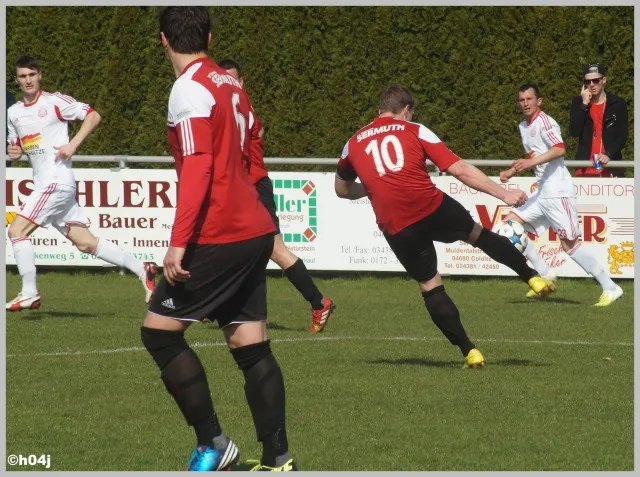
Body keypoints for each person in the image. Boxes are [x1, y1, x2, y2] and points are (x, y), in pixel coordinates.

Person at [142, 7, 297, 472]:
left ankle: (213, 442)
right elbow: (250, 154)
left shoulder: (188, 87)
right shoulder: (231, 84)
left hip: (219, 232)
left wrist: (179, 241)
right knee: (250, 343)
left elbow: (199, 165)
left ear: (163, 41)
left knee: (159, 334)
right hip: (254, 228)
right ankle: (278, 459)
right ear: (209, 37)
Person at [335, 84, 555, 369]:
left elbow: (342, 190)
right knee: (477, 234)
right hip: (430, 206)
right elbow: (458, 169)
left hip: (395, 223)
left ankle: (470, 351)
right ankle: (531, 277)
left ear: (379, 111)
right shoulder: (414, 129)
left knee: (430, 285)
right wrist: (504, 194)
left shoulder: (352, 143)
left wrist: (374, 185)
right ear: (406, 110)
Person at [6, 56, 157, 311]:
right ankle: (142, 268)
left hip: (56, 182)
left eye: (32, 74)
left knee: (16, 231)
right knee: (86, 243)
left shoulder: (55, 102)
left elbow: (93, 115)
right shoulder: (13, 112)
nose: (28, 80)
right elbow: (17, 148)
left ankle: (29, 292)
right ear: (17, 80)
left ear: (40, 75)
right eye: (23, 76)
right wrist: (15, 152)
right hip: (46, 184)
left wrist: (73, 144)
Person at [218, 58, 335, 334]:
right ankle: (218, 306)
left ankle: (319, 302)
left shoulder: (238, 105)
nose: (228, 85)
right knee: (230, 246)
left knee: (275, 250)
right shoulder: (237, 106)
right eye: (224, 80)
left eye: (233, 80)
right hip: (242, 189)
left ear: (241, 82)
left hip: (254, 188)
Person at [499, 84, 623, 306]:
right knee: (509, 223)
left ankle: (610, 287)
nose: (525, 103)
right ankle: (546, 274)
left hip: (558, 191)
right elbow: (534, 156)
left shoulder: (545, 122)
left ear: (539, 101)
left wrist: (529, 163)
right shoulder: (523, 126)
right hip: (542, 191)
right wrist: (511, 171)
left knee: (569, 245)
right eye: (522, 100)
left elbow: (559, 149)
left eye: (529, 99)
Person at [568, 62, 628, 178]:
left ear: (603, 80)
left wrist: (609, 154)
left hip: (610, 166)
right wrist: (584, 104)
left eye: (595, 80)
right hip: (585, 168)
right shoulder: (578, 102)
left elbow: (622, 135)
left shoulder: (618, 103)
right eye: (587, 81)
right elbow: (574, 131)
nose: (591, 84)